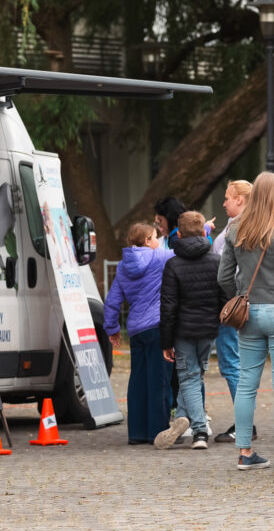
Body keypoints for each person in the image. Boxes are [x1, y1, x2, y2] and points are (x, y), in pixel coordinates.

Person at [218, 172, 274, 472]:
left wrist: (240, 297)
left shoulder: (235, 229)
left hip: (250, 312)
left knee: (246, 383)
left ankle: (245, 452)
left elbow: (222, 277)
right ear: (273, 196)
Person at [154, 212, 225, 450]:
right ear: (204, 232)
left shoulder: (173, 264)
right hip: (209, 329)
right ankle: (185, 419)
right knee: (196, 376)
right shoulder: (216, 260)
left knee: (189, 377)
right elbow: (225, 297)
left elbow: (168, 307)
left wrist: (166, 341)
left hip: (183, 331)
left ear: (180, 234)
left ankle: (199, 431)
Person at [104, 222, 176, 445]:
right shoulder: (159, 258)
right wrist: (203, 232)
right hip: (156, 326)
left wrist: (113, 329)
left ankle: (136, 433)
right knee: (159, 381)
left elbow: (113, 300)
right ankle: (157, 431)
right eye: (155, 237)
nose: (158, 241)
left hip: (135, 329)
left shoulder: (124, 266)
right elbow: (186, 250)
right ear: (147, 240)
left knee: (137, 381)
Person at [211, 180, 252, 443]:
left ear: (240, 199)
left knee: (232, 363)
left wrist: (230, 299)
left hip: (232, 305)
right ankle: (244, 421)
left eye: (228, 197)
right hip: (234, 302)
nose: (224, 202)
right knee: (235, 363)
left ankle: (244, 423)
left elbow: (231, 270)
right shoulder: (237, 226)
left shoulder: (238, 228)